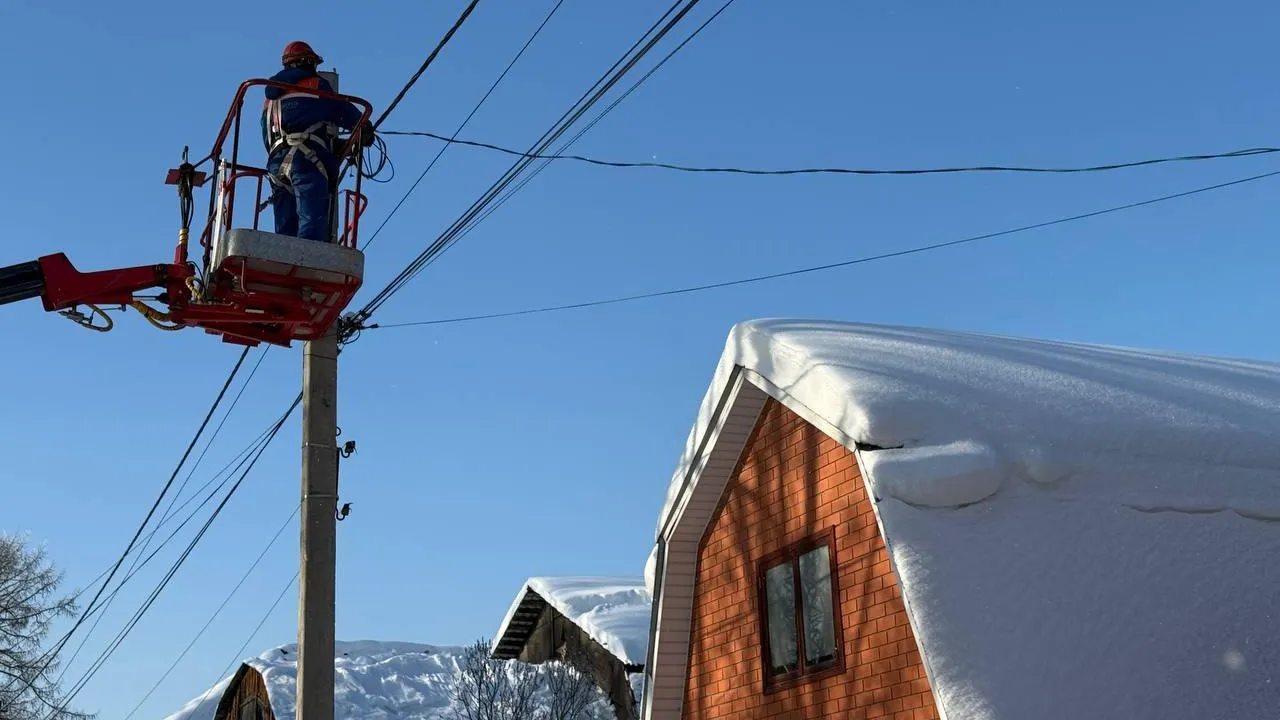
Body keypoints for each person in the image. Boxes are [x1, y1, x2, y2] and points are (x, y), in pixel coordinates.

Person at [261, 41, 373, 242]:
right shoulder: (316, 86)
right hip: (306, 161)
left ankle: (285, 257)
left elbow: (268, 137)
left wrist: (330, 146)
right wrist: (364, 129)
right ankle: (307, 258)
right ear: (308, 63)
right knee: (312, 221)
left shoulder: (270, 99)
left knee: (285, 227)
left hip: (276, 164)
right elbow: (343, 111)